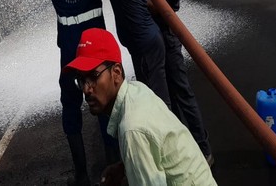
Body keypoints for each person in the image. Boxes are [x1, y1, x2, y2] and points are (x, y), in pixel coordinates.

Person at [63, 28, 217, 185]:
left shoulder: (132, 129)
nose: (86, 89)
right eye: (81, 80)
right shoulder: (137, 90)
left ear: (116, 73)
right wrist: (125, 168)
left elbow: (138, 136)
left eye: (93, 76)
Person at [33, 0, 118, 186]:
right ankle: (114, 166)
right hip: (97, 40)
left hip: (70, 46)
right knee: (106, 102)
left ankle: (81, 174)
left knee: (70, 104)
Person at [138, 0, 214, 165]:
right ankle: (183, 142)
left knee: (182, 91)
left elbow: (162, 6)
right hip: (155, 32)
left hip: (169, 35)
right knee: (167, 90)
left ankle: (204, 149)